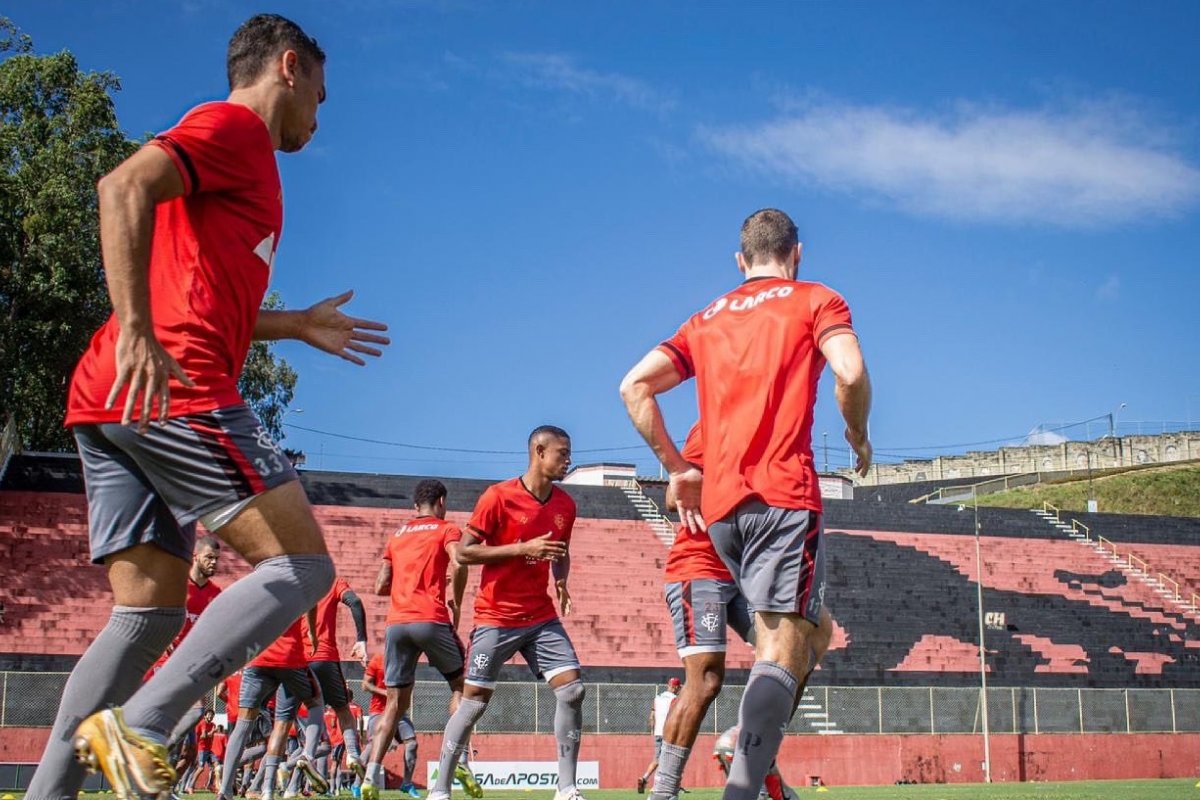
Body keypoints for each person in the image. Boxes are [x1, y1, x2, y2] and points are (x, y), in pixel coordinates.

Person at [29, 12, 390, 800]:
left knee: (146, 617)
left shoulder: (245, 164)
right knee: (303, 565)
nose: (319, 120)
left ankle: (47, 794)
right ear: (287, 67)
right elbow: (121, 185)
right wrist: (135, 331)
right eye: (320, 99)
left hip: (109, 400)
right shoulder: (233, 129)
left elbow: (207, 295)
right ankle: (146, 724)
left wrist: (293, 325)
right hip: (174, 386)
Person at [620, 208, 871, 800]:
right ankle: (738, 783)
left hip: (723, 513)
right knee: (786, 644)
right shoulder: (816, 299)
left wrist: (679, 469)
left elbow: (633, 386)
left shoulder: (705, 319)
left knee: (814, 634)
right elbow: (851, 371)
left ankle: (743, 740)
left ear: (740, 262)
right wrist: (858, 432)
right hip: (781, 495)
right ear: (798, 253)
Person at [427, 426, 584, 800]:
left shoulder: (566, 505)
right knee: (474, 702)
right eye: (562, 453)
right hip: (496, 617)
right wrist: (519, 548)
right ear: (539, 451)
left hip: (541, 617)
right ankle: (441, 789)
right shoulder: (498, 497)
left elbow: (560, 553)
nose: (568, 460)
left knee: (573, 690)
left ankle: (567, 789)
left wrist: (561, 581)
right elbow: (464, 553)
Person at [645, 423, 756, 800]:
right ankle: (664, 792)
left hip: (747, 572)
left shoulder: (775, 428)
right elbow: (675, 499)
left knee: (793, 655)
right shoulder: (714, 425)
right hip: (702, 567)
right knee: (706, 680)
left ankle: (753, 760)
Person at [361, 478, 473, 800]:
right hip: (430, 618)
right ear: (441, 502)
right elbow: (459, 558)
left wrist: (406, 581)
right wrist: (454, 595)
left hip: (397, 624)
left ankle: (370, 777)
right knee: (461, 687)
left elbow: (381, 584)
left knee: (394, 706)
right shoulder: (446, 529)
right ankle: (460, 759)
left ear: (415, 507)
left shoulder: (396, 536)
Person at [217, 618, 329, 800]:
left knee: (243, 726)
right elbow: (312, 605)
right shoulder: (298, 589)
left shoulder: (255, 590)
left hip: (258, 659)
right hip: (289, 657)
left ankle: (227, 791)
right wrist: (313, 635)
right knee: (314, 703)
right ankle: (306, 756)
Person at [306, 575, 369, 778]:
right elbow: (355, 601)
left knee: (284, 721)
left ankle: (272, 783)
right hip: (324, 657)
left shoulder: (295, 582)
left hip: (296, 660)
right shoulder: (331, 581)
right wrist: (361, 640)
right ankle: (352, 754)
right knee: (343, 710)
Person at [360, 654, 420, 797]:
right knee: (375, 745)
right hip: (379, 712)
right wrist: (386, 693)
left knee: (412, 744)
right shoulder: (377, 660)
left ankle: (407, 783)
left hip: (399, 713)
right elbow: (364, 685)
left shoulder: (406, 659)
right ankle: (359, 782)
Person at [637, 678, 681, 793]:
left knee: (657, 760)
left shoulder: (658, 698)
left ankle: (645, 778)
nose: (679, 690)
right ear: (675, 687)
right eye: (679, 687)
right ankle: (658, 785)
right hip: (669, 733)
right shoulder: (675, 699)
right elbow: (675, 716)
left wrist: (654, 729)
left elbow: (651, 716)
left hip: (657, 733)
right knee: (668, 761)